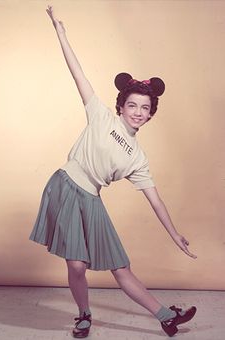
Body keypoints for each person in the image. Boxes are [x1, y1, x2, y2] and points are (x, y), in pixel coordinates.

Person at [29, 5, 197, 338]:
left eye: (145, 108)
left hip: (91, 199)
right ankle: (84, 315)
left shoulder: (138, 156)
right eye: (132, 105)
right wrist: (60, 33)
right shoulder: (102, 116)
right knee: (76, 264)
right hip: (65, 187)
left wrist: (174, 234)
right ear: (120, 106)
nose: (138, 112)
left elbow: (156, 200)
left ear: (150, 115)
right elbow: (78, 72)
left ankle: (166, 316)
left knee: (120, 267)